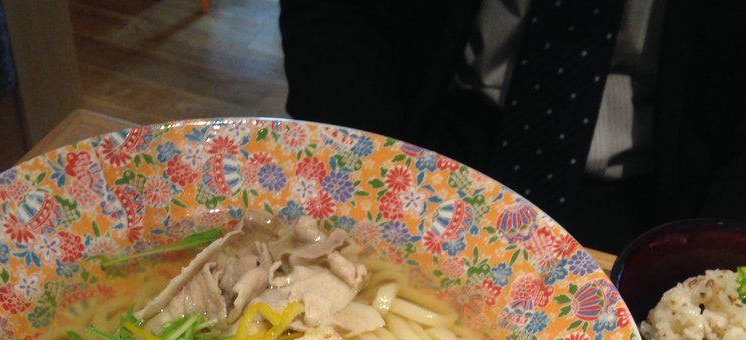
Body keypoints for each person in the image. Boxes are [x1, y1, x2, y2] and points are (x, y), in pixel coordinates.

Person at [278, 0, 746, 253]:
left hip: (658, 201)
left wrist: (713, 252)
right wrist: (357, 170)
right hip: (431, 135)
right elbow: (335, 21)